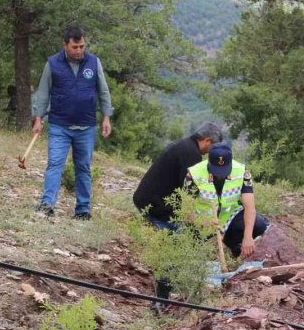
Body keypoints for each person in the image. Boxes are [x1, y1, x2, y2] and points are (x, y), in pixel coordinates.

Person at [32, 26, 113, 220]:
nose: (79, 51)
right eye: (75, 47)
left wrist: (106, 116)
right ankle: (47, 204)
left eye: (82, 46)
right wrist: (38, 118)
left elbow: (103, 91)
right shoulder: (52, 63)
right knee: (54, 164)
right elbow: (43, 93)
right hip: (59, 125)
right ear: (65, 45)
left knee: (83, 167)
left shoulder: (94, 62)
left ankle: (83, 210)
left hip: (86, 127)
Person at [133, 122, 224, 230]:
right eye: (213, 147)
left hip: (143, 199)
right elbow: (190, 192)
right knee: (192, 236)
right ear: (207, 141)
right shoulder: (191, 155)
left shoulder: (183, 145)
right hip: (155, 208)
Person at [184, 143, 268, 259]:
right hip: (202, 222)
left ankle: (233, 249)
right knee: (187, 247)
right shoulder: (193, 175)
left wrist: (247, 237)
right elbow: (186, 212)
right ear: (208, 162)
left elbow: (249, 207)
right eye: (216, 170)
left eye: (224, 170)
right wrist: (204, 223)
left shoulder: (242, 172)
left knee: (258, 225)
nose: (221, 175)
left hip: (229, 217)